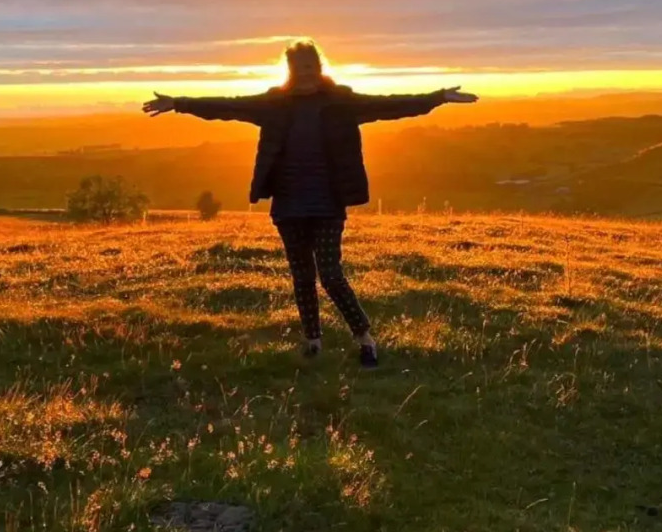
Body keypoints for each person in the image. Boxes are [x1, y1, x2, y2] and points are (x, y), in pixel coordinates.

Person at [142, 40, 477, 367]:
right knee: (302, 275)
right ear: (290, 70)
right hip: (288, 204)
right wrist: (179, 103)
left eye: (310, 66)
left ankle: (365, 339)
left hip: (328, 203)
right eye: (298, 67)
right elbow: (227, 107)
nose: (305, 72)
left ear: (319, 67)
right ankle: (313, 342)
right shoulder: (274, 104)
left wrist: (437, 97)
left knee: (331, 275)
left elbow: (391, 105)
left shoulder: (341, 101)